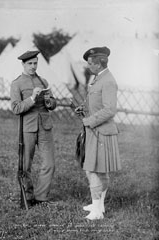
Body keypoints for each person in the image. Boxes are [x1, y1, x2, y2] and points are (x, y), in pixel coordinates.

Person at [75, 46, 121, 220]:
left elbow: (110, 109)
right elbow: (96, 103)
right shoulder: (98, 78)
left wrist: (89, 121)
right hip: (95, 130)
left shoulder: (108, 80)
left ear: (99, 64)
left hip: (100, 131)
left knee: (94, 170)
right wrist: (84, 109)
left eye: (90, 63)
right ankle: (98, 206)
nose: (88, 66)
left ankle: (96, 211)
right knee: (95, 170)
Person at [10, 50, 56, 207]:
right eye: (29, 63)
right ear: (23, 64)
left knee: (49, 163)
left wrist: (50, 101)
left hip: (45, 126)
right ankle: (28, 196)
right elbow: (16, 108)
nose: (33, 66)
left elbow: (52, 105)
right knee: (25, 165)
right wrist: (32, 98)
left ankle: (41, 197)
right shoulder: (16, 83)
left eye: (35, 63)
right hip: (28, 128)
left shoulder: (43, 81)